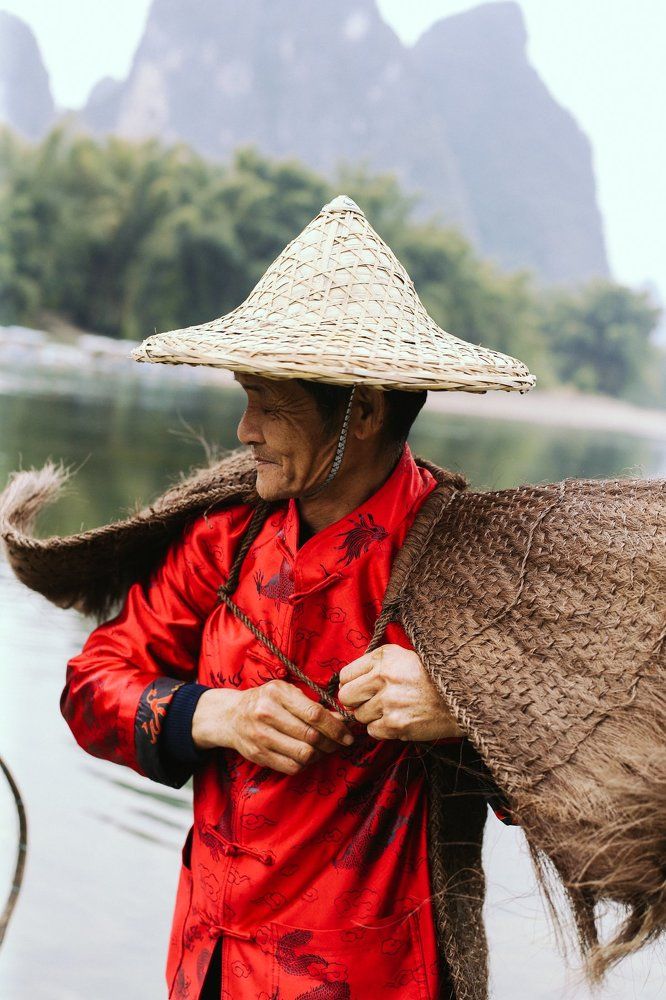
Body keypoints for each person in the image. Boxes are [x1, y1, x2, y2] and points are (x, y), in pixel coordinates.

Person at [61, 196, 532, 999]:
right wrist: (216, 715)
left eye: (270, 404)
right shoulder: (224, 541)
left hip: (374, 980)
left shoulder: (464, 564)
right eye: (245, 396)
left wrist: (462, 705)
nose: (245, 429)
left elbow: (584, 771)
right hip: (209, 965)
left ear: (364, 411)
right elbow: (90, 685)